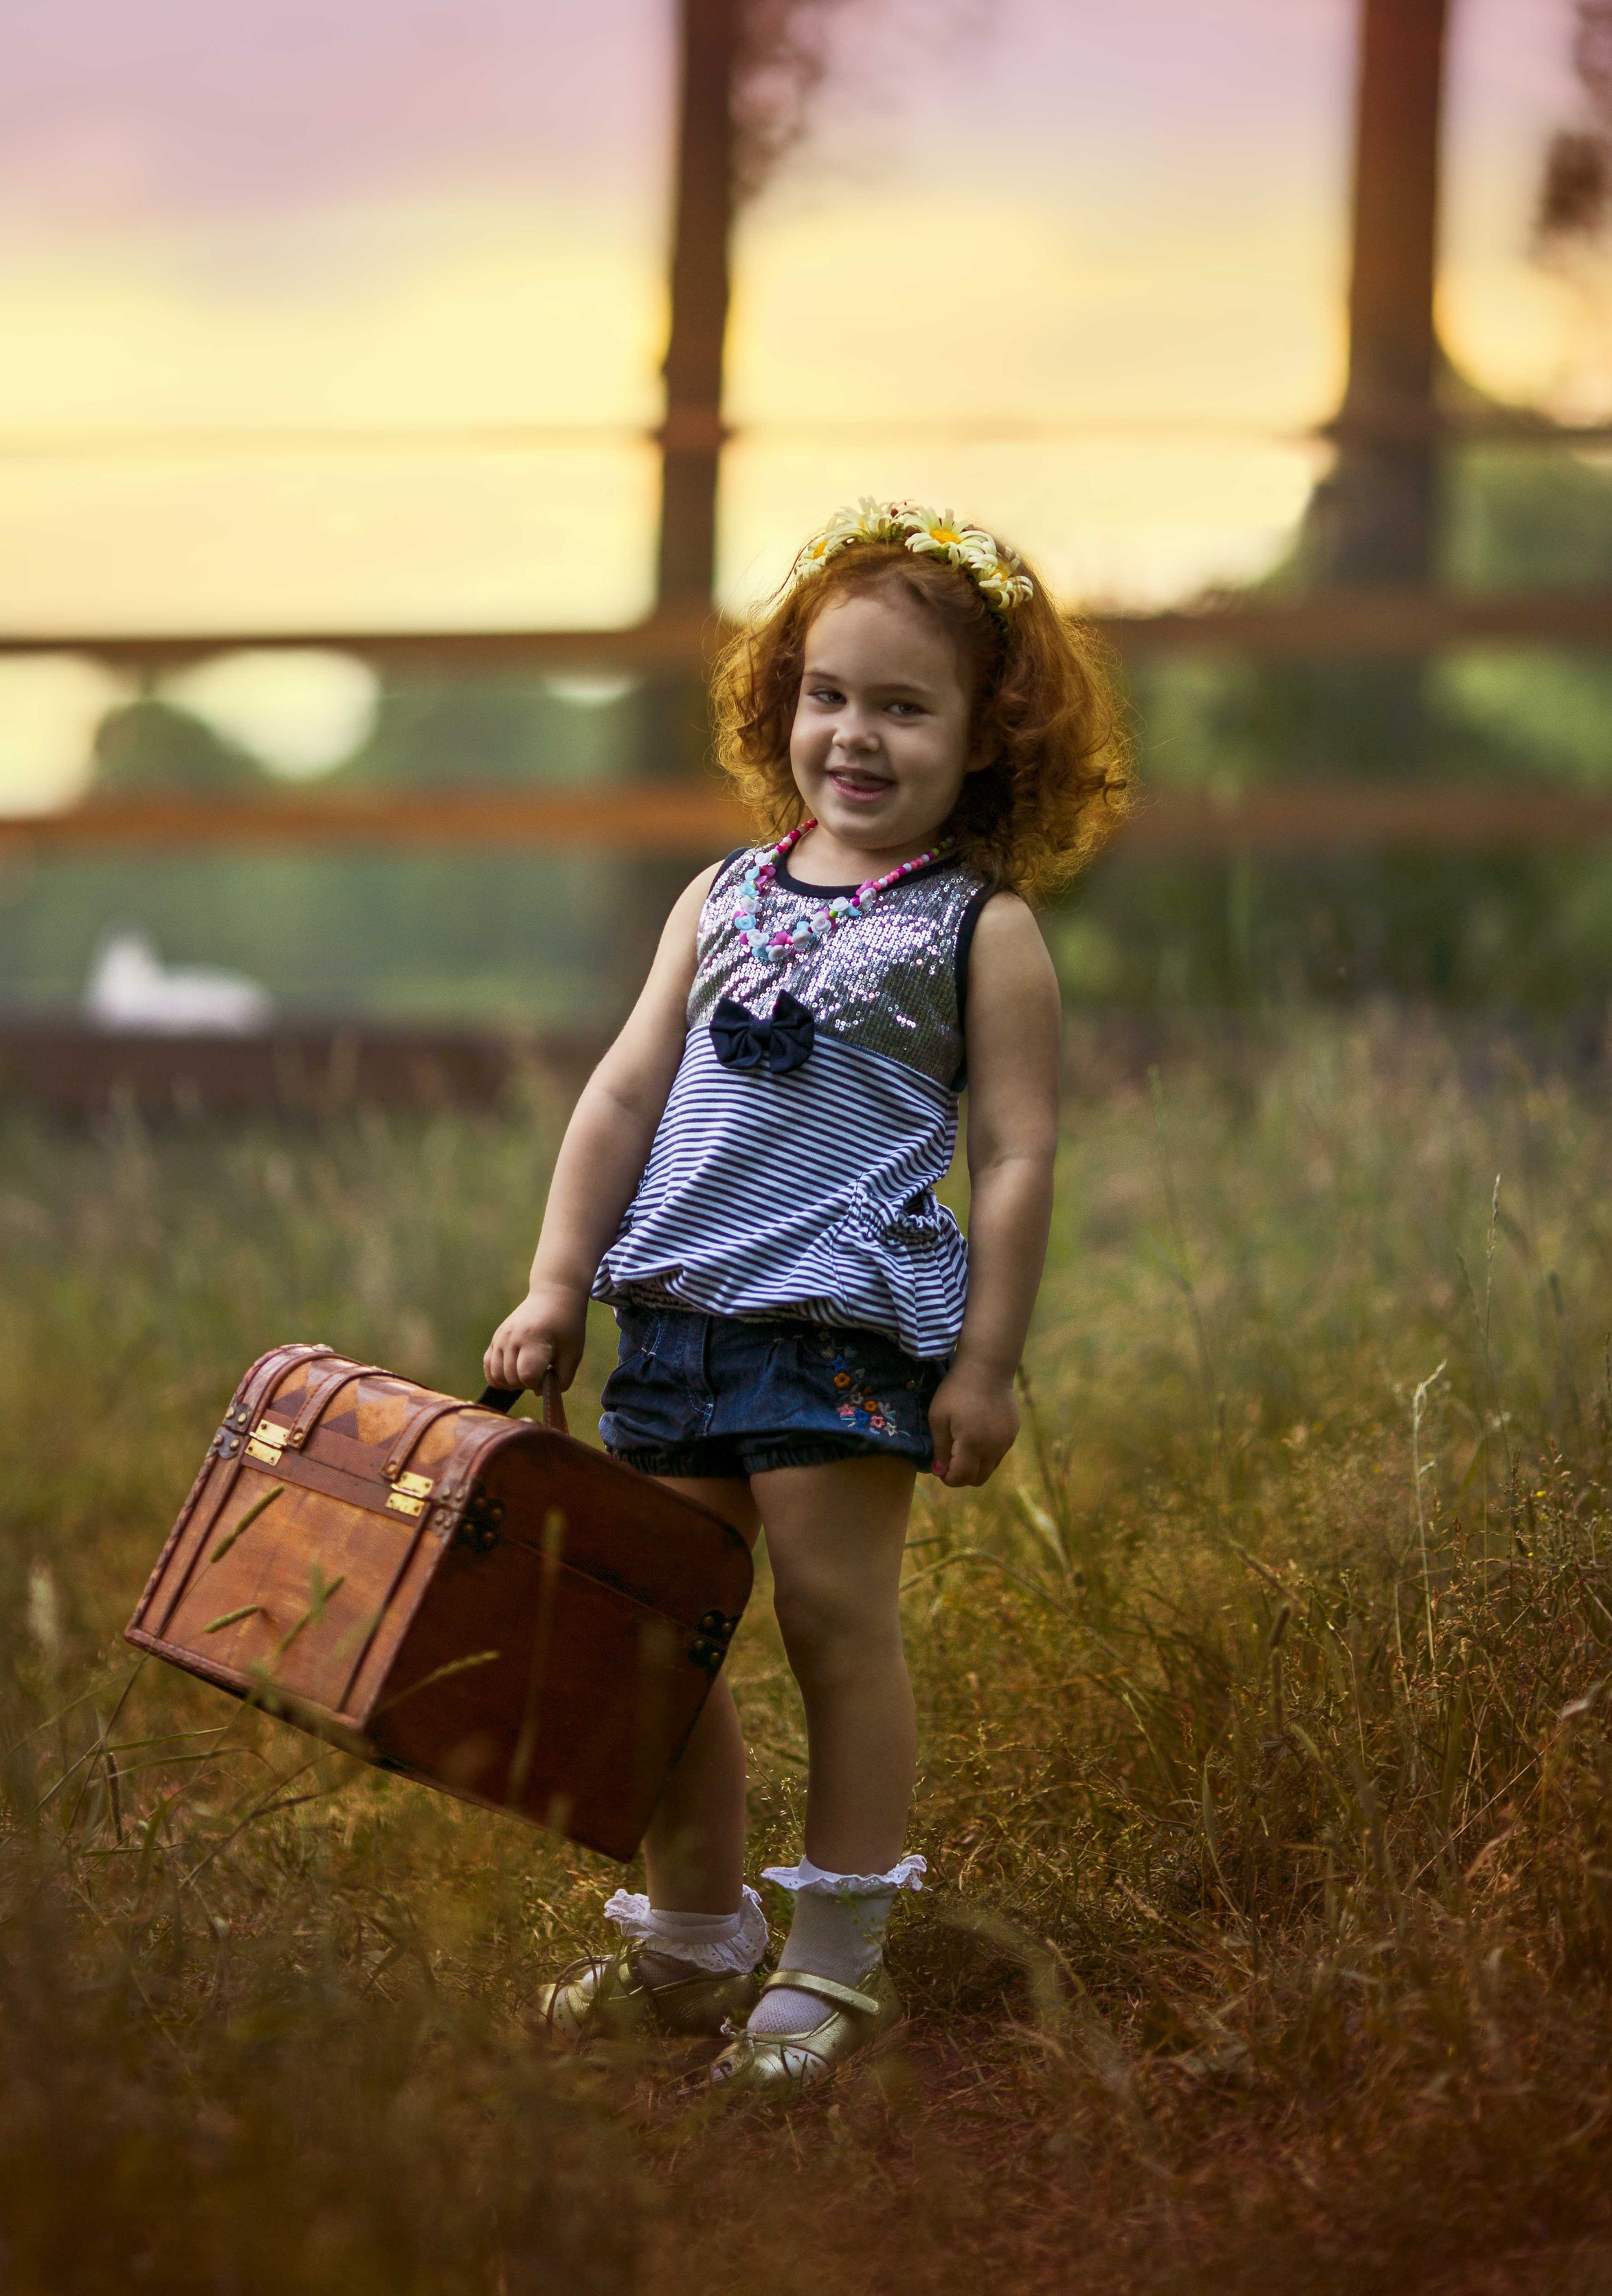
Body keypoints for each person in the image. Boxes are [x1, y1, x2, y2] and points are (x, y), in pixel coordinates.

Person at [483, 498, 1128, 2093]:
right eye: (827, 694)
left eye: (903, 707)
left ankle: (833, 1962)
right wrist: (558, 1281)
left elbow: (1014, 1158)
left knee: (835, 1625)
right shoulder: (718, 897)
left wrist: (984, 1365)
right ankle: (691, 1942)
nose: (854, 734)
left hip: (838, 1331)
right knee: (659, 1638)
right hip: (675, 1319)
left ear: (986, 737)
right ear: (781, 701)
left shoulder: (979, 931)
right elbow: (622, 1092)